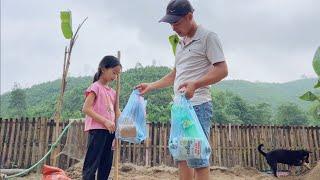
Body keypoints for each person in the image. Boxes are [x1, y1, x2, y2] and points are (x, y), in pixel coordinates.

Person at [136, 0, 228, 179]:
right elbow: (176, 74)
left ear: (190, 16)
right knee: (182, 156)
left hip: (198, 106)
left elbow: (222, 70)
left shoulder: (208, 37)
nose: (172, 27)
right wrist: (151, 85)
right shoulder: (180, 43)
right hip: (180, 108)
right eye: (171, 23)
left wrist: (195, 84)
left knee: (198, 158)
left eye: (176, 22)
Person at [82, 55, 122, 180]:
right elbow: (86, 109)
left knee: (106, 164)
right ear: (103, 69)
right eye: (113, 72)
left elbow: (117, 112)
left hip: (110, 131)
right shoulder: (95, 87)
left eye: (117, 74)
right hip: (98, 130)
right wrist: (105, 121)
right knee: (92, 163)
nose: (115, 77)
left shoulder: (113, 92)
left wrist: (124, 125)